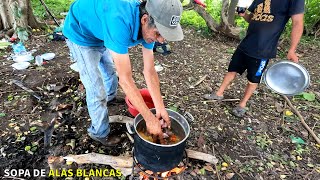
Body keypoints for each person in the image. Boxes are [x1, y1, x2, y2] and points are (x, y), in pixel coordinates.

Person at [63, 0, 184, 145]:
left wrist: (160, 108)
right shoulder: (119, 21)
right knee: (96, 88)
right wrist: (150, 119)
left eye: (164, 35)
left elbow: (150, 71)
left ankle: (110, 98)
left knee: (109, 72)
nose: (162, 40)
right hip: (81, 34)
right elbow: (125, 80)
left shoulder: (150, 23)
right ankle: (99, 133)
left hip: (102, 30)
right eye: (159, 33)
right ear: (145, 20)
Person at [204, 0, 305, 117]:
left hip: (263, 50)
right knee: (232, 70)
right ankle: (219, 93)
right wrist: (244, 15)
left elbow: (297, 22)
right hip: (246, 44)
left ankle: (242, 105)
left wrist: (292, 50)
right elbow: (252, 18)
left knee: (253, 79)